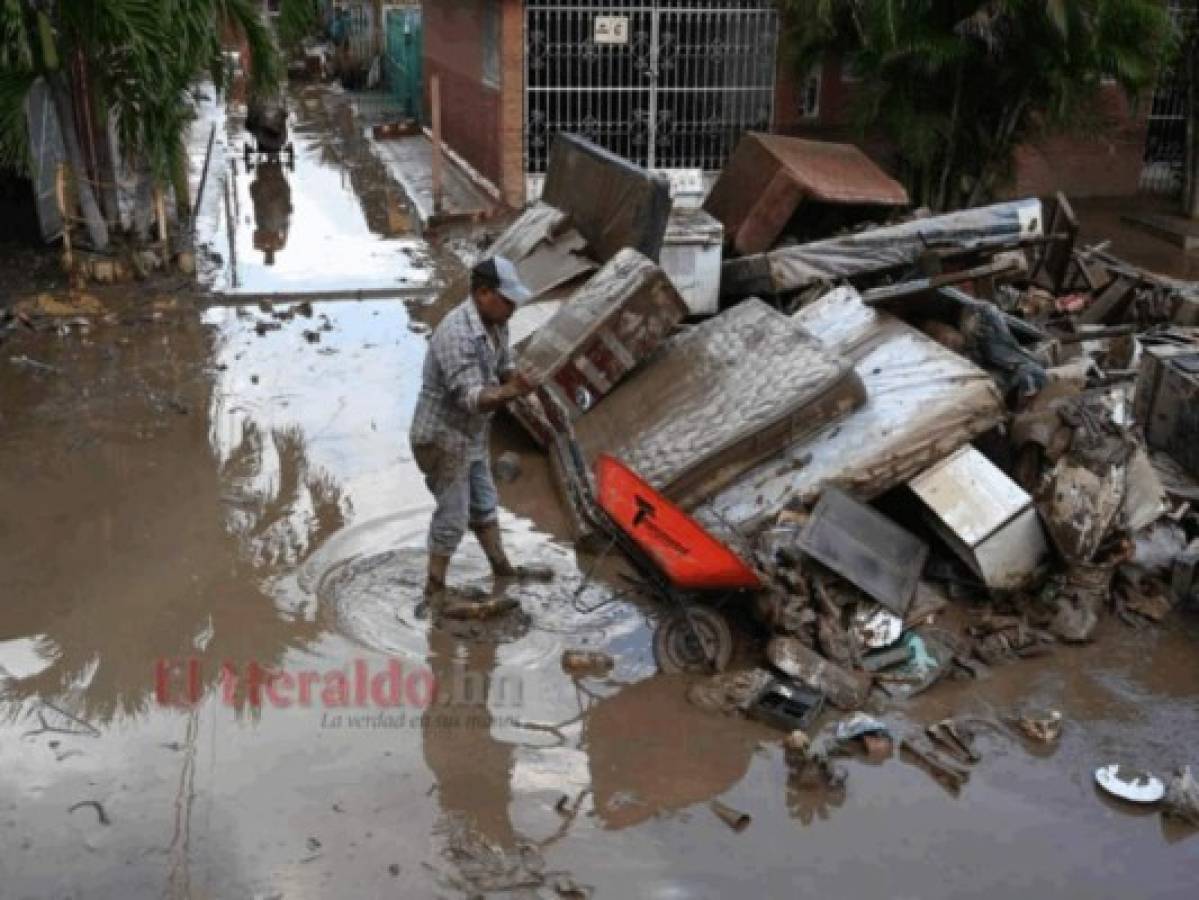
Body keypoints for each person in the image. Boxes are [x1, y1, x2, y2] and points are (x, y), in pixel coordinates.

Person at [410, 256, 539, 601]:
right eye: (507, 300)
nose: (512, 308)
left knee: (484, 503)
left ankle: (502, 568)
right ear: (483, 293)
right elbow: (469, 397)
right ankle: (434, 588)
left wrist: (519, 382)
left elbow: (505, 365)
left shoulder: (497, 323)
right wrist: (513, 391)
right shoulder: (456, 333)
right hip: (440, 436)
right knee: (453, 516)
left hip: (472, 436)